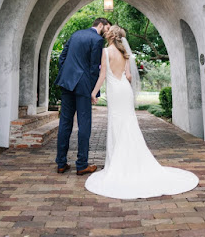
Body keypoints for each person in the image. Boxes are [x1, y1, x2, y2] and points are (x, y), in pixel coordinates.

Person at [85, 25, 199, 199]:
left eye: (108, 31)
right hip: (125, 90)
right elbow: (129, 76)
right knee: (129, 123)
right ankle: (133, 161)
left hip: (115, 91)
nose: (106, 32)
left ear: (111, 35)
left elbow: (102, 76)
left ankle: (118, 164)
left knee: (116, 124)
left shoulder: (106, 52)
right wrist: (124, 80)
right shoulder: (125, 54)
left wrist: (93, 93)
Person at [54, 17, 111, 175]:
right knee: (84, 124)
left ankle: (61, 163)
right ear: (101, 25)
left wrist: (67, 75)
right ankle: (81, 165)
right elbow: (94, 68)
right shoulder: (97, 40)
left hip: (67, 83)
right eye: (107, 28)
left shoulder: (75, 34)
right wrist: (95, 92)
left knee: (65, 123)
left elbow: (62, 58)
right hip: (83, 86)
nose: (107, 33)